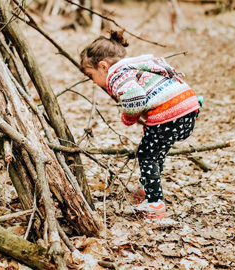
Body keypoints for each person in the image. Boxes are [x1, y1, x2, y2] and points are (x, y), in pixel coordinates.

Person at [80, 31, 201, 220]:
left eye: (91, 75)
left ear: (103, 66)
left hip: (169, 116)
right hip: (187, 109)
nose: (94, 82)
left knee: (146, 155)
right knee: (156, 152)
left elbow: (135, 99)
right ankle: (147, 188)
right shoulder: (135, 66)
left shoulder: (116, 74)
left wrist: (128, 118)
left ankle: (154, 205)